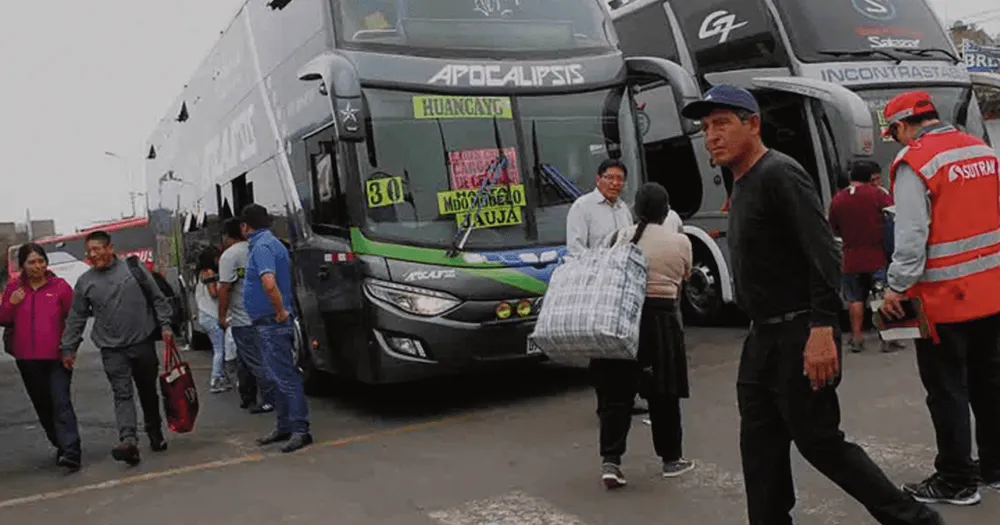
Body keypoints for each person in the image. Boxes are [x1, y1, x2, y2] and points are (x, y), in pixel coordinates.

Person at [681, 85, 944, 525]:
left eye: (722, 123)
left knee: (820, 442)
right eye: (706, 127)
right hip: (761, 338)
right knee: (760, 449)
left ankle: (915, 520)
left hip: (799, 332)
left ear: (753, 124)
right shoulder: (743, 182)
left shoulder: (780, 173)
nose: (711, 135)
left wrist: (823, 329)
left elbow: (825, 254)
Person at [879, 90, 1000, 505]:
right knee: (990, 382)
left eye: (892, 131)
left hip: (944, 299)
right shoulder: (982, 150)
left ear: (901, 125)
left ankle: (955, 480)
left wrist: (896, 286)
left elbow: (912, 235)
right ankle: (995, 468)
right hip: (993, 292)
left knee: (947, 389)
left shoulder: (916, 161)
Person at [598, 182, 694, 489]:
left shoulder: (619, 237)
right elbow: (682, 280)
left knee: (616, 394)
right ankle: (671, 460)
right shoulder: (680, 242)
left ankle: (611, 461)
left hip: (622, 320)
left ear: (636, 209)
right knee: (663, 394)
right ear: (666, 210)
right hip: (662, 323)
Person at [60, 230, 172, 466]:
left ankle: (155, 432)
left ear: (110, 248)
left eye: (98, 249)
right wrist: (68, 348)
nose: (94, 254)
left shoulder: (133, 270)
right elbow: (76, 317)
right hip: (111, 349)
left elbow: (157, 297)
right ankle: (128, 441)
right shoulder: (85, 282)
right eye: (90, 251)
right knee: (122, 394)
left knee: (148, 391)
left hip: (142, 342)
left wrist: (166, 326)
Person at [566, 159, 649, 415]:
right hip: (597, 284)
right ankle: (605, 401)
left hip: (622, 283)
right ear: (598, 179)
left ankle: (628, 396)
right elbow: (576, 248)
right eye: (610, 178)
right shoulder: (583, 207)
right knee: (601, 345)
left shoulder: (623, 209)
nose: (615, 183)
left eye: (620, 179)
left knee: (626, 340)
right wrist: (597, 270)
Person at [0, 243, 81, 471]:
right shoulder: (14, 289)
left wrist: (71, 347)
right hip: (27, 359)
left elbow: (75, 319)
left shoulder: (61, 287)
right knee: (43, 405)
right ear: (22, 266)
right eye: (31, 262)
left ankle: (72, 450)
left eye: (41, 261)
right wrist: (11, 303)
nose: (37, 266)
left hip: (57, 357)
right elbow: (3, 318)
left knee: (60, 401)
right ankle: (60, 444)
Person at [241, 204, 313, 453]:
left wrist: (280, 310)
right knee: (277, 376)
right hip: (268, 322)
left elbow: (269, 283)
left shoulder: (261, 247)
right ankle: (284, 425)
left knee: (284, 376)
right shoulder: (271, 244)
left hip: (272, 322)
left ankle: (299, 429)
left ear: (245, 226)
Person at [829, 160, 902, 353]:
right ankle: (887, 338)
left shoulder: (838, 199)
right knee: (881, 297)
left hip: (851, 258)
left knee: (855, 299)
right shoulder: (878, 195)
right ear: (870, 178)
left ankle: (857, 337)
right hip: (877, 256)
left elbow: (833, 227)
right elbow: (893, 219)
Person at [218, 218, 275, 414]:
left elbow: (224, 289)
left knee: (256, 361)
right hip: (264, 314)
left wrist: (221, 316)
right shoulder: (257, 249)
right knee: (244, 359)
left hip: (243, 319)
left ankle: (270, 399)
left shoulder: (229, 256)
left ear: (227, 235)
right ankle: (247, 396)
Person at [195, 246, 231, 394]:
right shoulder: (209, 273)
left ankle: (221, 377)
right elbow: (213, 293)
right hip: (210, 315)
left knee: (219, 348)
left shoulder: (201, 273)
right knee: (219, 349)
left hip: (205, 315)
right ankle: (215, 379)